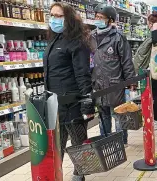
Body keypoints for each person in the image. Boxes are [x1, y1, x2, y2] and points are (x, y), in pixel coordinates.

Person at [43, 2, 94, 181]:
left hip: (73, 103)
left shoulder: (77, 42)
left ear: (69, 19)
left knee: (78, 143)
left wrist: (87, 101)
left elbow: (82, 73)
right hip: (55, 104)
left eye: (59, 16)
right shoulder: (53, 39)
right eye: (52, 15)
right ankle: (56, 176)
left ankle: (79, 175)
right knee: (57, 145)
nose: (54, 19)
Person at [90, 4, 136, 145]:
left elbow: (126, 61)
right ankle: (106, 141)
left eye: (101, 17)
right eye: (96, 16)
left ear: (110, 20)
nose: (98, 19)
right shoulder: (90, 37)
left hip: (115, 83)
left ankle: (121, 142)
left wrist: (131, 82)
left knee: (118, 114)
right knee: (103, 116)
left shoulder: (117, 37)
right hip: (98, 84)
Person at [133, 11, 157, 130]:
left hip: (155, 67)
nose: (148, 26)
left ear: (151, 23)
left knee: (155, 94)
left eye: (149, 23)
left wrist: (154, 29)